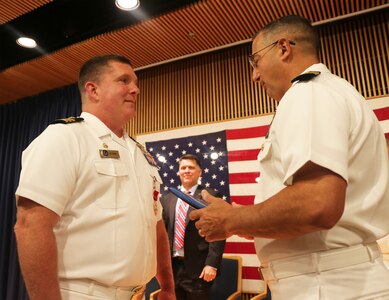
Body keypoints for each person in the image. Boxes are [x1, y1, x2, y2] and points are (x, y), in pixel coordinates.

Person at [190, 15, 389, 299]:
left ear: (283, 48)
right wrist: (254, 221)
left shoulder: (307, 92)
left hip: (326, 284)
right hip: (335, 278)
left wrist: (233, 219)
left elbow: (316, 204)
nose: (254, 76)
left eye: (255, 61)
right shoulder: (335, 91)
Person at [14, 54, 175, 300]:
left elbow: (155, 225)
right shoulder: (64, 138)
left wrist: (167, 287)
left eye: (135, 82)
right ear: (93, 90)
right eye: (124, 81)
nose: (135, 89)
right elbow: (30, 225)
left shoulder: (140, 154)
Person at [160, 154, 225, 300]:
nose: (187, 171)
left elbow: (218, 232)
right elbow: (163, 233)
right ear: (178, 172)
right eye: (183, 168)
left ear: (200, 172)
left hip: (199, 269)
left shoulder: (211, 196)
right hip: (172, 269)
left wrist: (212, 264)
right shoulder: (167, 199)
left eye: (191, 167)